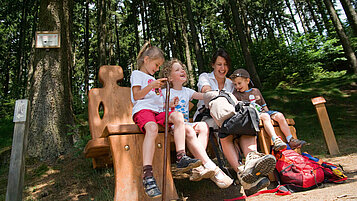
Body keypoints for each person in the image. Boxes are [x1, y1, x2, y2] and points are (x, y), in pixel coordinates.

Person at [194, 48, 276, 196]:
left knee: (243, 122)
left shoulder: (231, 83)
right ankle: (242, 172)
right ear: (213, 65)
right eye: (219, 64)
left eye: (225, 64)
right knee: (228, 127)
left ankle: (251, 160)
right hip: (207, 116)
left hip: (231, 117)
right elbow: (207, 91)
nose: (222, 68)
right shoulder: (205, 77)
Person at [130, 42, 201, 198]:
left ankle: (181, 156)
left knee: (177, 116)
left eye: (159, 66)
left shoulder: (153, 80)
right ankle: (147, 174)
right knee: (152, 128)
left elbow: (159, 102)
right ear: (146, 60)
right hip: (143, 110)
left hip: (157, 111)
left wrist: (170, 103)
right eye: (156, 65)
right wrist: (152, 86)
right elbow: (136, 96)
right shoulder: (137, 74)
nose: (157, 69)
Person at [160, 58, 233, 188]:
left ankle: (198, 164)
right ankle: (207, 164)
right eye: (177, 70)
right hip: (173, 126)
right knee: (188, 130)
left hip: (186, 124)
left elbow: (203, 96)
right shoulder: (165, 92)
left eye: (182, 69)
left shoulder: (187, 91)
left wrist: (217, 93)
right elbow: (159, 109)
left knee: (203, 126)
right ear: (169, 78)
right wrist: (169, 104)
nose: (182, 71)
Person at [230, 68, 306, 151]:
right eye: (235, 84)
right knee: (265, 116)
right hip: (253, 115)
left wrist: (271, 115)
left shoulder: (256, 91)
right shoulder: (236, 95)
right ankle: (276, 140)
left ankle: (290, 140)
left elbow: (264, 106)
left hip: (263, 112)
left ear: (247, 81)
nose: (237, 86)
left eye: (239, 83)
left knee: (279, 115)